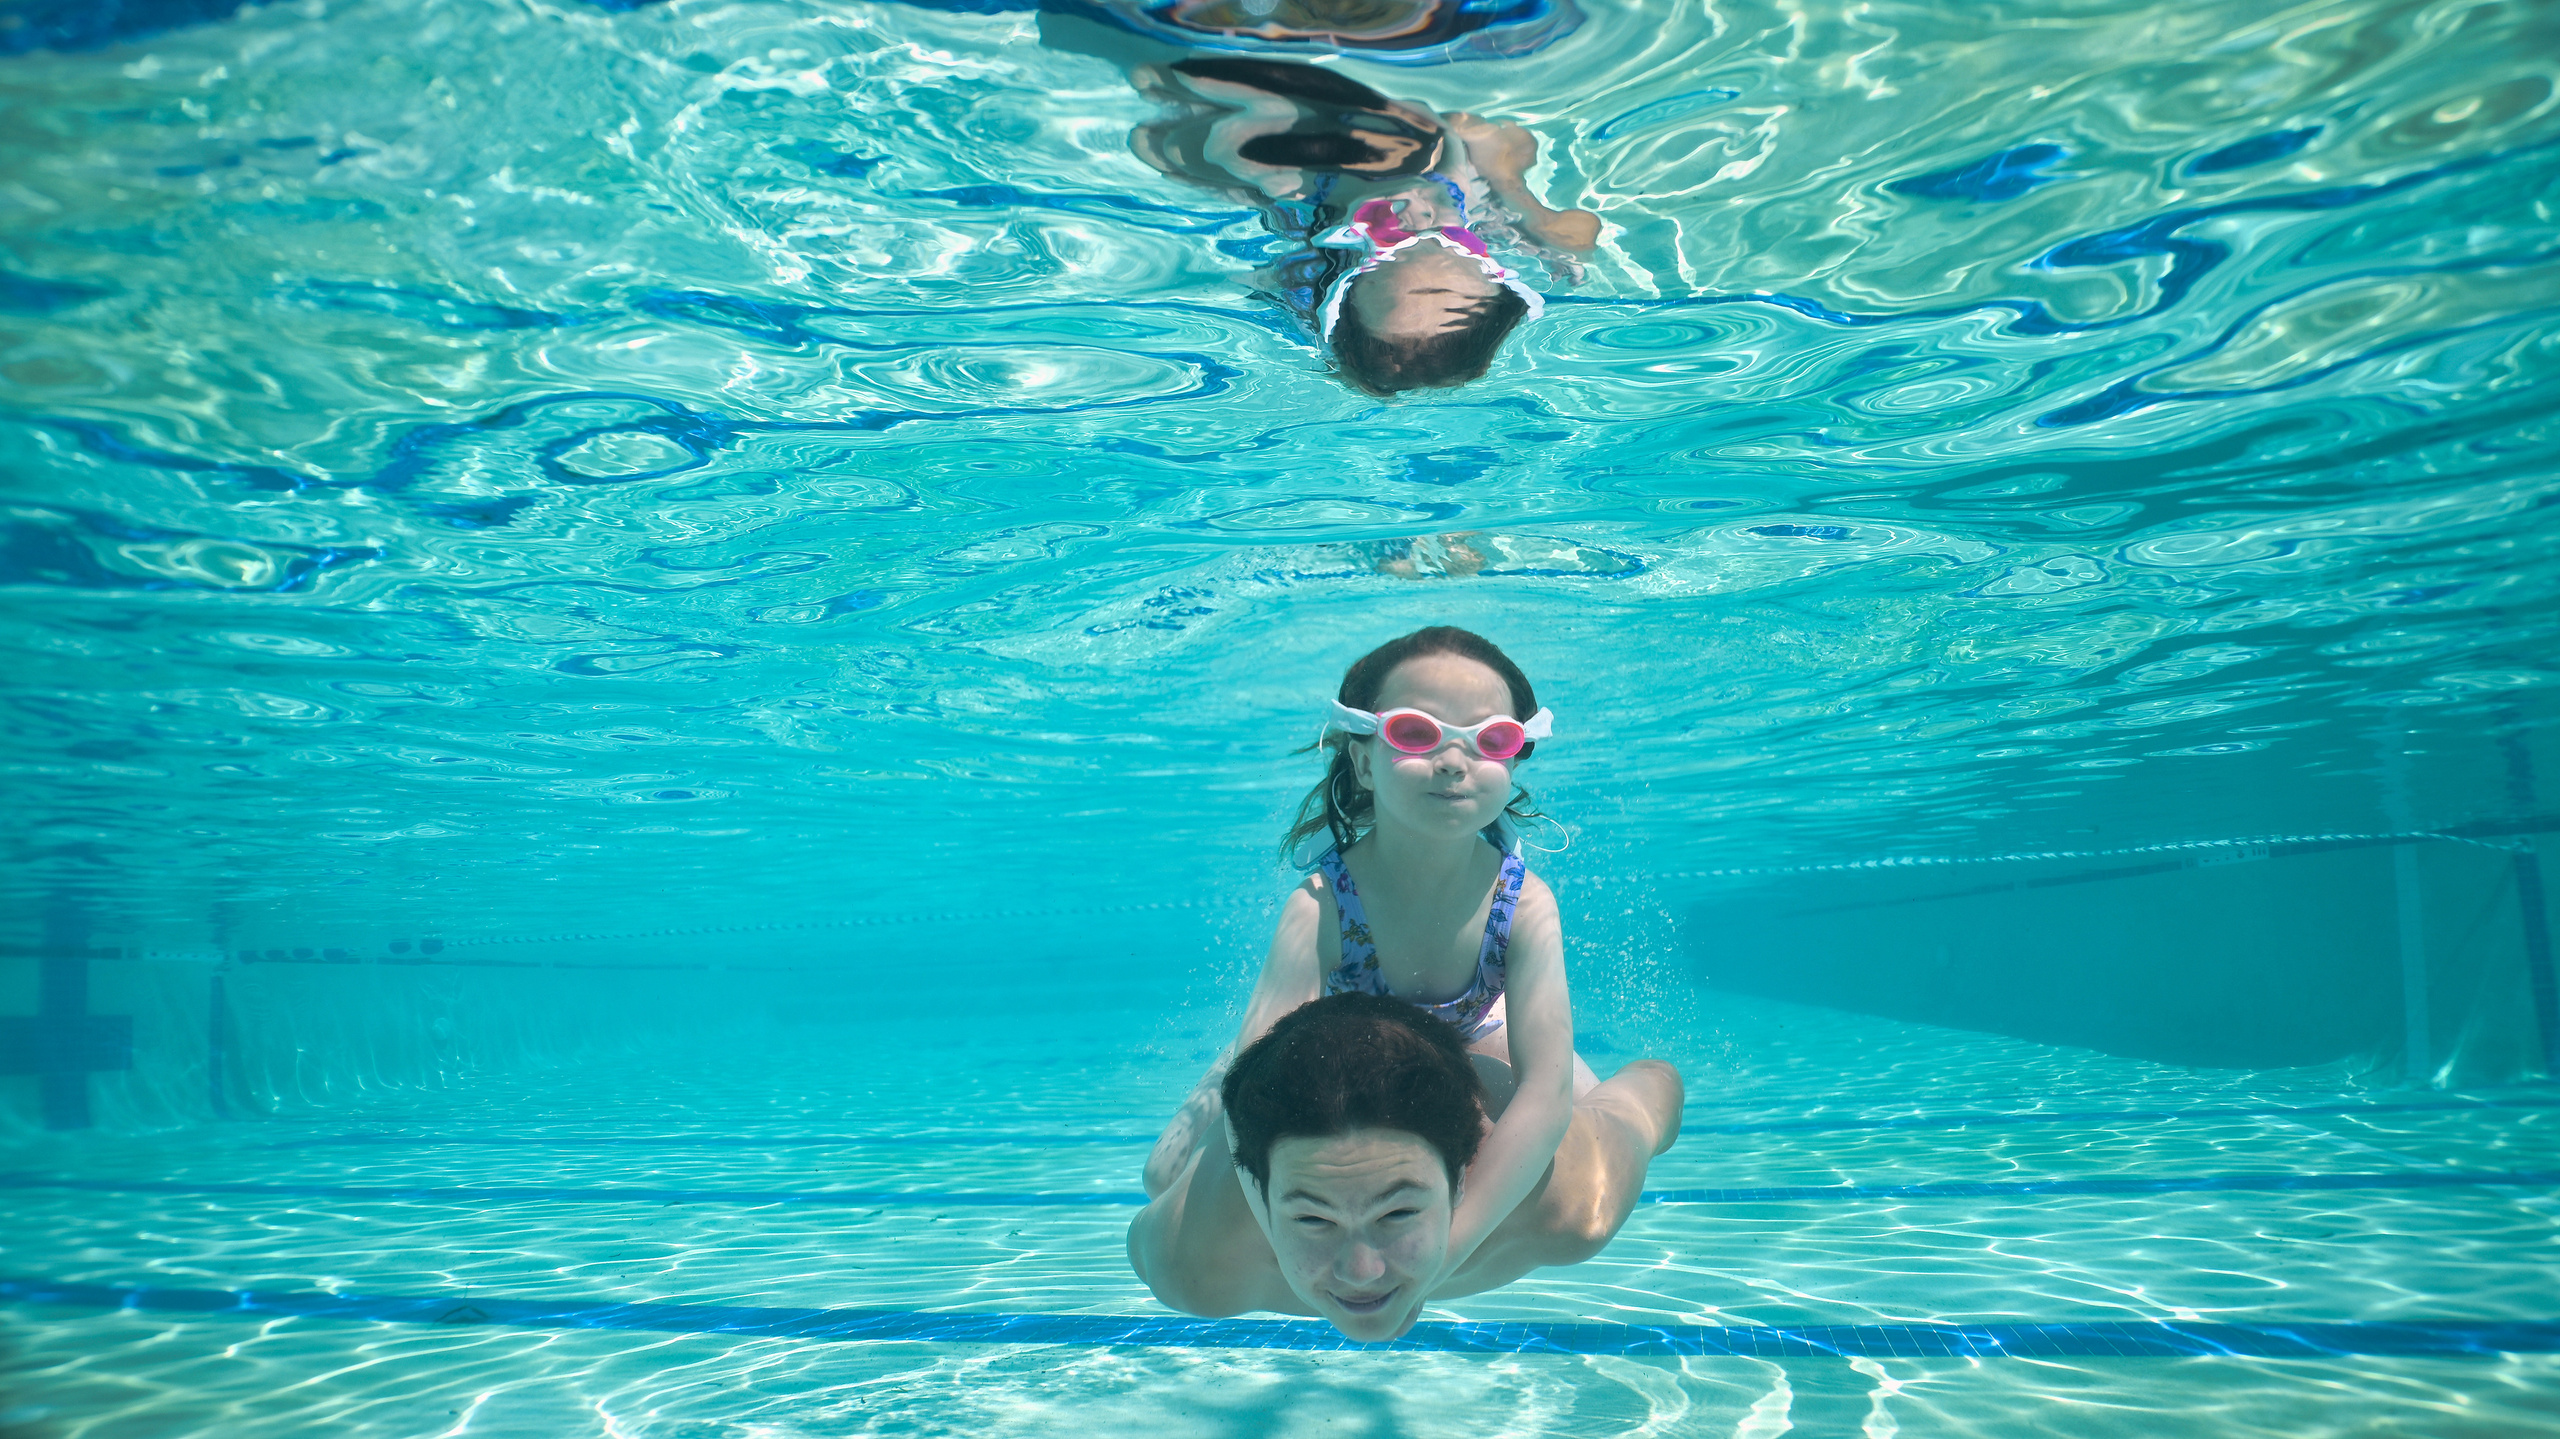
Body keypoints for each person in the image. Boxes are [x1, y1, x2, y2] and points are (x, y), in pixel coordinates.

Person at [1127, 626, 1685, 1339]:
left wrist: (1443, 1252)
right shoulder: (1322, 901)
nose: (1456, 759)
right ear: (1361, 758)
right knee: (1160, 1176)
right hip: (1346, 1056)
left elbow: (1543, 1093)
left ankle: (1636, 1097)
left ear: (1515, 759)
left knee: (1572, 1148)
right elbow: (1260, 1086)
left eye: (1492, 739)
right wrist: (1298, 1248)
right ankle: (1216, 1069)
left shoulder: (1526, 902)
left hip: (1481, 1034)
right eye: (1418, 733)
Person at [1047, 26, 1598, 395]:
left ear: (1340, 262)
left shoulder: (1292, 188)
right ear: (1491, 257)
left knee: (1170, 106)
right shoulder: (1493, 210)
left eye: (1388, 239)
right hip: (1383, 79)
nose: (1416, 215)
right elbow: (1501, 136)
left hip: (1229, 86)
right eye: (1460, 244)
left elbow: (1161, 135)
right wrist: (1524, 207)